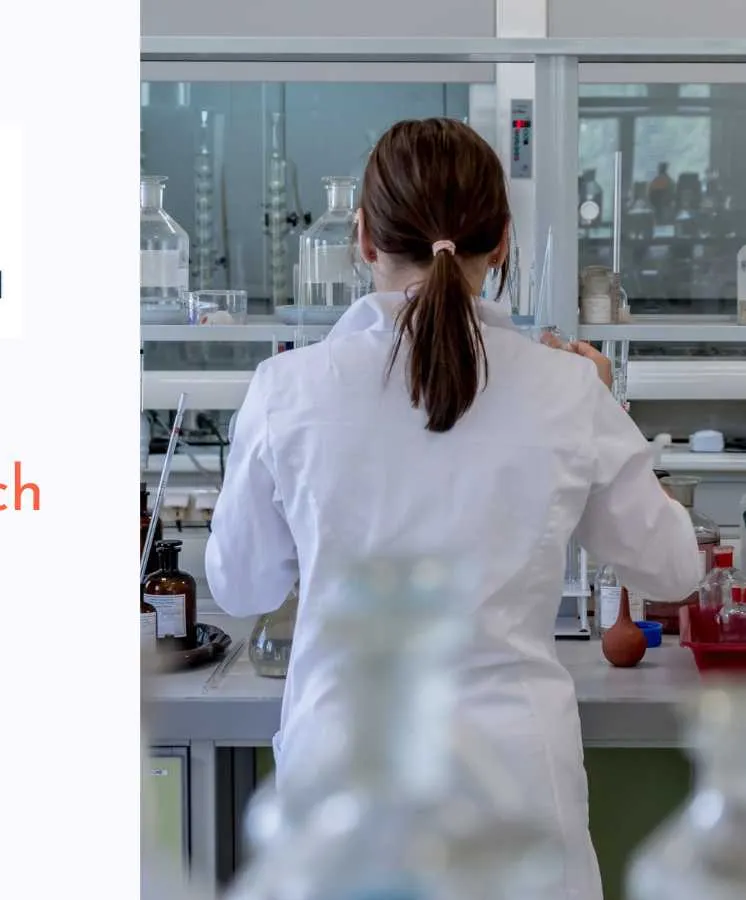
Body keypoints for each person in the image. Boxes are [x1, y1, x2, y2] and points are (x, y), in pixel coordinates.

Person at [205, 118, 702, 900]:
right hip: (518, 793)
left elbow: (241, 589)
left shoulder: (288, 389)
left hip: (343, 791)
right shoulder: (568, 389)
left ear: (363, 238)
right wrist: (610, 410)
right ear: (501, 242)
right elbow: (673, 569)